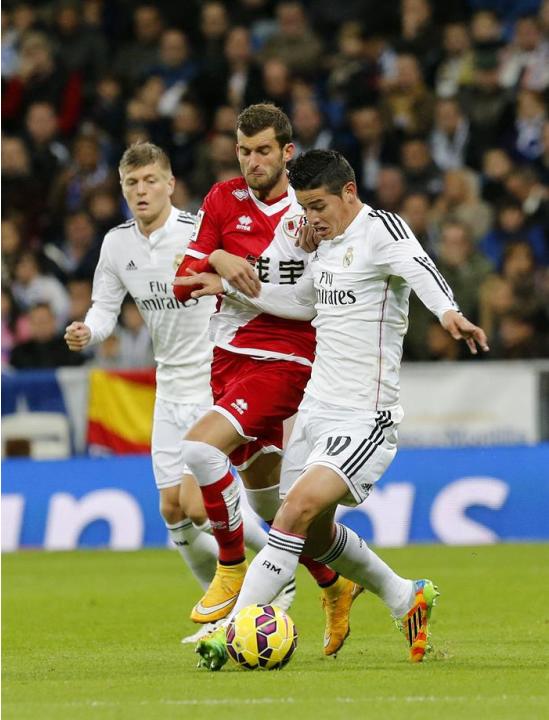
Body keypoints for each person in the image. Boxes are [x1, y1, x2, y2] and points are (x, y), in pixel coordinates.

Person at [177, 149, 489, 670]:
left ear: (348, 192)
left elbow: (420, 268)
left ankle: (231, 631)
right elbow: (295, 303)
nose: (311, 218)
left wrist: (449, 312)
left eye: (318, 205)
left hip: (365, 417)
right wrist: (228, 285)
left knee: (295, 510)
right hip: (316, 409)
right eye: (303, 206)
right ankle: (402, 594)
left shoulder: (380, 229)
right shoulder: (315, 242)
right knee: (306, 531)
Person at [173, 105, 362, 656]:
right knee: (268, 507)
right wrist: (218, 255)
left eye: (262, 150)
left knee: (201, 453)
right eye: (243, 150)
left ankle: (231, 570)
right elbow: (183, 284)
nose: (252, 161)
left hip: (287, 359)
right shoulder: (221, 200)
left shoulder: (310, 212)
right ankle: (336, 584)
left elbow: (327, 291)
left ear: (286, 153)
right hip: (228, 358)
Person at [64, 142, 270, 641]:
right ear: (122, 189)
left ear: (170, 184)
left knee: (199, 506)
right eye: (132, 183)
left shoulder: (199, 232)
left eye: (151, 180)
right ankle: (222, 615)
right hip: (168, 385)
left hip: (213, 380)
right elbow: (103, 308)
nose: (141, 190)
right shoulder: (116, 245)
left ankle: (280, 571)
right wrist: (88, 332)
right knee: (173, 510)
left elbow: (249, 285)